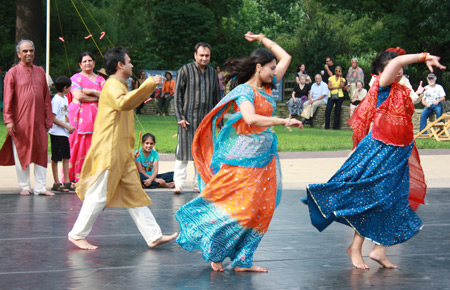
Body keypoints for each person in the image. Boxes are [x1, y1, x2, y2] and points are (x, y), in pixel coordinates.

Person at [175, 31, 303, 273]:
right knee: (239, 208)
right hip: (242, 161)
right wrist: (284, 121)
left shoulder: (269, 84)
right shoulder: (244, 91)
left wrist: (262, 39)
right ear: (258, 67)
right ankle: (215, 248)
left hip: (265, 160)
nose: (275, 72)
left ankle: (243, 260)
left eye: (275, 69)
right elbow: (251, 119)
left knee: (260, 210)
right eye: (271, 68)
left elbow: (285, 57)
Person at [306, 50, 445, 269]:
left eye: (400, 68)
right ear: (382, 71)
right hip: (382, 150)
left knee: (395, 201)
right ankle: (355, 247)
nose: (399, 70)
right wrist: (423, 56)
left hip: (400, 151)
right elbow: (398, 61)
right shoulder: (382, 83)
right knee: (372, 197)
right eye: (394, 67)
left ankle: (379, 249)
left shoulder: (401, 87)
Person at [68, 46, 177, 250]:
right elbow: (124, 103)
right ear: (120, 65)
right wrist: (147, 85)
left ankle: (153, 235)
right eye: (129, 61)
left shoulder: (118, 84)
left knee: (133, 192)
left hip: (120, 150)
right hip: (110, 150)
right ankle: (77, 234)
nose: (132, 65)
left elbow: (126, 101)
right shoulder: (112, 85)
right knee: (99, 194)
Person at [0, 39, 54, 196]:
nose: (29, 53)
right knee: (21, 152)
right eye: (25, 51)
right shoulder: (13, 73)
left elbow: (46, 98)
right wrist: (9, 120)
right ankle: (24, 186)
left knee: (41, 151)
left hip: (39, 121)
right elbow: (8, 98)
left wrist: (48, 119)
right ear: (19, 54)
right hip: (20, 122)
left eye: (31, 50)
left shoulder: (40, 71)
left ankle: (40, 187)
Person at [173, 42, 221, 194]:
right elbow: (177, 95)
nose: (204, 58)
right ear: (195, 55)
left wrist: (219, 120)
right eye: (201, 55)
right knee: (183, 153)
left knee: (201, 154)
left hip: (205, 120)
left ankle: (197, 184)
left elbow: (217, 97)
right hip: (187, 120)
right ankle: (178, 184)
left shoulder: (212, 73)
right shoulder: (185, 70)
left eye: (207, 55)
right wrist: (180, 116)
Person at [67, 52, 105, 183]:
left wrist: (92, 92)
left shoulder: (101, 79)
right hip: (80, 117)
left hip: (98, 116)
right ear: (80, 64)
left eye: (90, 60)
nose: (87, 63)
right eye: (84, 61)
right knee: (79, 143)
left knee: (97, 143)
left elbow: (107, 95)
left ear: (94, 63)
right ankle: (77, 175)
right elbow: (78, 96)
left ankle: (94, 175)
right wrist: (96, 97)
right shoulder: (76, 78)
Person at [49, 76, 76, 192]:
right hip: (57, 133)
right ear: (65, 88)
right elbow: (53, 118)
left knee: (66, 157)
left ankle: (67, 181)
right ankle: (56, 182)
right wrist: (67, 126)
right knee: (56, 158)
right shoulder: (56, 100)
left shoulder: (65, 99)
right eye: (70, 87)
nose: (71, 89)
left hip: (65, 133)